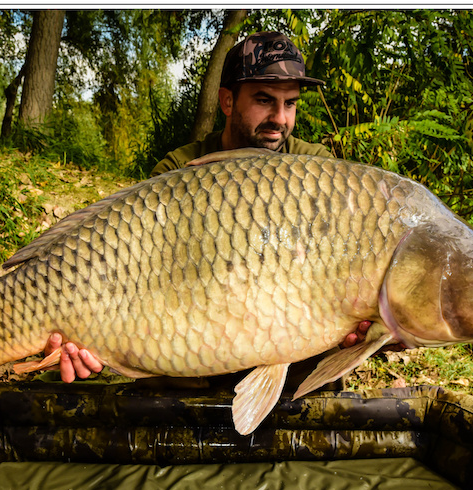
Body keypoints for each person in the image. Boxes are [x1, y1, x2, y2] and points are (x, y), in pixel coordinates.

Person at [43, 31, 371, 383]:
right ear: (227, 102)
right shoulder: (178, 170)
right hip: (190, 362)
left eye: (290, 103)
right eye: (264, 100)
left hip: (294, 366)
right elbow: (126, 277)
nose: (280, 118)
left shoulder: (317, 170)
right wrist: (82, 335)